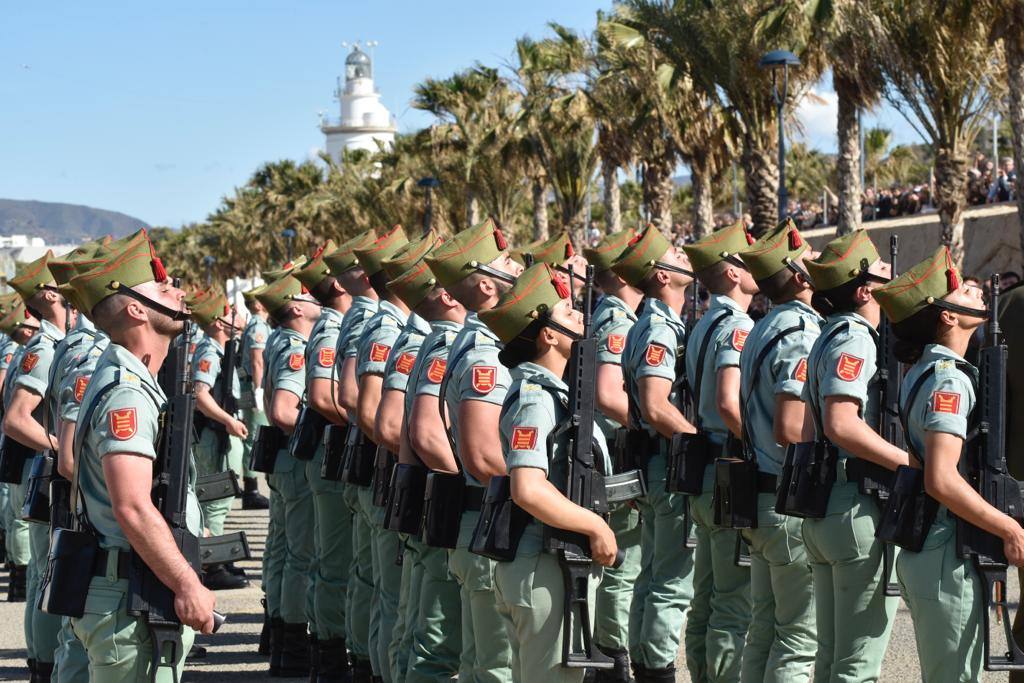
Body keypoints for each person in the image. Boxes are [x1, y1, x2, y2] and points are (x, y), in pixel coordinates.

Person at [66, 230, 216, 681]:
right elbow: (131, 505)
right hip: (128, 595)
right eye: (162, 287)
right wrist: (188, 583)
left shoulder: (134, 382)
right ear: (136, 308)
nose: (178, 290)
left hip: (134, 585)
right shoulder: (126, 395)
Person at [873, 246, 1024, 680]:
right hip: (944, 550)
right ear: (947, 317)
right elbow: (940, 478)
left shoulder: (930, 370)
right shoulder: (949, 381)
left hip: (939, 546)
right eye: (962, 290)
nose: (976, 292)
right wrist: (1009, 528)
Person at [476, 261, 617, 682]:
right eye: (569, 315)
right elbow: (528, 489)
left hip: (549, 564)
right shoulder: (537, 399)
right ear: (549, 336)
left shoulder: (553, 395)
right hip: (542, 566)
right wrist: (597, 526)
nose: (581, 319)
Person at [800, 231, 908, 680]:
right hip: (852, 505)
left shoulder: (829, 334)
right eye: (881, 268)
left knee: (830, 658)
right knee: (857, 663)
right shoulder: (856, 336)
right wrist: (909, 463)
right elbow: (840, 423)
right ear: (864, 290)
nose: (890, 272)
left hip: (827, 502)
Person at [425, 218, 523, 682]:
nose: (518, 266)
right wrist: (541, 490)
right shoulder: (487, 353)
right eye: (508, 262)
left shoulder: (485, 342)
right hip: (490, 517)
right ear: (487, 282)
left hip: (482, 517)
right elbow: (484, 455)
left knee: (479, 662)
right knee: (496, 666)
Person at [735, 218, 821, 682]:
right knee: (798, 640)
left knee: (765, 629)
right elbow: (792, 426)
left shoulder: (765, 326)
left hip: (765, 496)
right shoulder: (799, 333)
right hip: (787, 501)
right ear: (800, 276)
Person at [612, 225, 697, 682]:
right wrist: (696, 442)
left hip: (657, 462)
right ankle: (656, 669)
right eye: (676, 255)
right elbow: (654, 403)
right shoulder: (658, 327)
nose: (686, 257)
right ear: (662, 276)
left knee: (651, 576)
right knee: (670, 582)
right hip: (669, 465)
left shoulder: (655, 323)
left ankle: (648, 665)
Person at [679, 220, 759, 683]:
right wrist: (760, 440)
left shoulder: (706, 321)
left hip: (706, 467)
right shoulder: (737, 326)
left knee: (707, 597)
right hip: (729, 466)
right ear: (732, 271)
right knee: (732, 603)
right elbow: (730, 401)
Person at [396, 236, 468, 683]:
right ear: (446, 294)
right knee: (439, 640)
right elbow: (425, 430)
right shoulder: (445, 345)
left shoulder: (437, 341)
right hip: (443, 494)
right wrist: (467, 484)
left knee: (419, 625)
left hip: (425, 490)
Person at [351, 225, 416, 681]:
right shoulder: (387, 326)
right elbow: (370, 411)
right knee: (393, 593)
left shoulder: (393, 324)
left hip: (396, 466)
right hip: (394, 469)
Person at [291, 240, 356, 682]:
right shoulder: (333, 328)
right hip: (332, 449)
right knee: (334, 560)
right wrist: (364, 423)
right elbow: (320, 396)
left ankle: (326, 645)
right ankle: (328, 654)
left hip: (332, 448)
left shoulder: (335, 324)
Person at [3, 250, 69, 681]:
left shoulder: (46, 345)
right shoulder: (44, 348)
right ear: (48, 293)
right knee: (49, 572)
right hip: (47, 471)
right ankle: (44, 664)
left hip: (42, 470)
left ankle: (41, 662)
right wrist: (62, 445)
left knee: (44, 573)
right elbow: (14, 419)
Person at [582, 228, 642, 682]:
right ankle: (612, 656)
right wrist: (648, 425)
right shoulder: (618, 321)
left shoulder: (603, 315)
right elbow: (607, 394)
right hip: (616, 457)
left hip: (603, 453)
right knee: (622, 566)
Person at [255, 269, 322, 677]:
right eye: (309, 296)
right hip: (295, 460)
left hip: (281, 460)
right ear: (296, 307)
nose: (317, 300)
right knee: (300, 555)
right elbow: (282, 410)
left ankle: (279, 631)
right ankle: (293, 642)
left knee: (282, 548)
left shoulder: (279, 340)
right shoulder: (295, 345)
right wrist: (314, 432)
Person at [327, 229, 381, 680]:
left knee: (368, 571)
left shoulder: (360, 318)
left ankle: (358, 658)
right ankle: (360, 661)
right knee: (376, 577)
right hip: (373, 453)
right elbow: (346, 395)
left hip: (367, 448)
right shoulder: (371, 320)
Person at [189, 291, 250, 590]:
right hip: (212, 435)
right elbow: (200, 394)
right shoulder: (208, 352)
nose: (235, 319)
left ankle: (214, 557)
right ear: (216, 320)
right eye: (229, 314)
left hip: (218, 432)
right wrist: (228, 420)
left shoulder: (217, 349)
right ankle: (209, 564)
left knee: (220, 501)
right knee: (213, 500)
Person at [0, 296, 40, 606]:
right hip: (26, 443)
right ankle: (22, 576)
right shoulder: (30, 352)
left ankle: (18, 574)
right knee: (24, 516)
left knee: (16, 513)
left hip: (15, 444)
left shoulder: (21, 354)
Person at [238, 286, 271, 511]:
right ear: (258, 304)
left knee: (254, 434)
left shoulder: (255, 324)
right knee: (255, 435)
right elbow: (257, 360)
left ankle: (252, 487)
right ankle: (252, 489)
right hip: (253, 385)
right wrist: (259, 390)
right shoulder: (258, 326)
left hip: (249, 384)